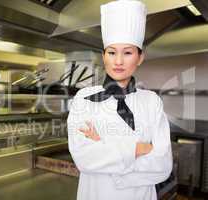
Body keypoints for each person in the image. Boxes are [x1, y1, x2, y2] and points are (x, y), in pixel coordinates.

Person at [67, 0, 173, 200]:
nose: (118, 61)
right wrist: (138, 148)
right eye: (112, 52)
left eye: (128, 52)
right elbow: (84, 159)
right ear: (103, 55)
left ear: (140, 57)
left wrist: (104, 148)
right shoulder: (84, 99)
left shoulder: (152, 101)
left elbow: (163, 165)